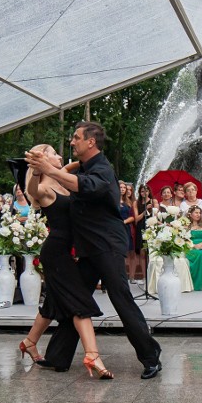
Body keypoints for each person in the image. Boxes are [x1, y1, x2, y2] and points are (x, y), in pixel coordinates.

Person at [26, 121, 162, 379]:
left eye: (76, 138)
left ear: (91, 142)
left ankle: (151, 357)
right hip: (90, 249)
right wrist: (40, 167)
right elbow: (66, 179)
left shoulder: (102, 169)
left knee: (121, 299)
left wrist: (50, 170)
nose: (72, 141)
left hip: (107, 246)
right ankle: (58, 356)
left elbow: (85, 185)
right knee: (77, 301)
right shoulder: (87, 166)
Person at [18, 144, 112, 379]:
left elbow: (78, 164)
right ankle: (92, 354)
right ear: (44, 160)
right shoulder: (43, 188)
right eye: (54, 153)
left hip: (68, 251)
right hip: (55, 253)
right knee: (80, 302)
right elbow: (31, 188)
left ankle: (30, 342)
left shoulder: (64, 178)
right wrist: (37, 170)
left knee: (54, 301)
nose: (60, 156)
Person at [119, 181, 140, 283]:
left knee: (131, 252)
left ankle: (131, 277)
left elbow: (133, 216)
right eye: (121, 187)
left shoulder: (129, 202)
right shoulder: (112, 200)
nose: (123, 189)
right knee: (121, 252)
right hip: (116, 229)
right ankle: (122, 276)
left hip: (127, 227)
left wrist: (124, 221)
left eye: (124, 188)